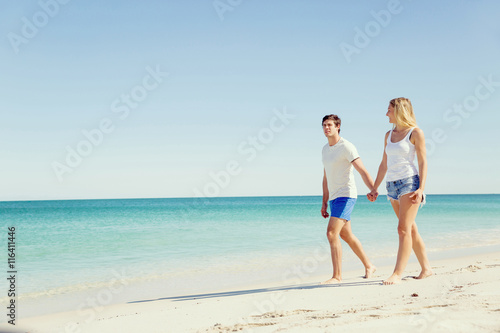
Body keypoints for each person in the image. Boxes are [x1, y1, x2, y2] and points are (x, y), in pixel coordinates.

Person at [371, 97, 433, 285]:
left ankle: (397, 273)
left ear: (399, 111)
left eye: (389, 110)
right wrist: (375, 187)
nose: (386, 113)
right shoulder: (387, 135)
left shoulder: (415, 133)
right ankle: (427, 269)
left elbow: (422, 161)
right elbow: (384, 163)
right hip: (391, 185)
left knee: (402, 229)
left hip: (409, 183)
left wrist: (421, 188)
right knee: (410, 228)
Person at [321, 114, 377, 284]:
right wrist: (324, 201)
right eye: (324, 125)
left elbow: (362, 170)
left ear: (338, 126)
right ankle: (369, 265)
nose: (326, 128)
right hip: (334, 197)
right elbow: (326, 177)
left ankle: (337, 276)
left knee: (331, 233)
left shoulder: (346, 146)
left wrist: (373, 189)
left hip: (346, 195)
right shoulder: (325, 149)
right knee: (346, 235)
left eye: (330, 125)